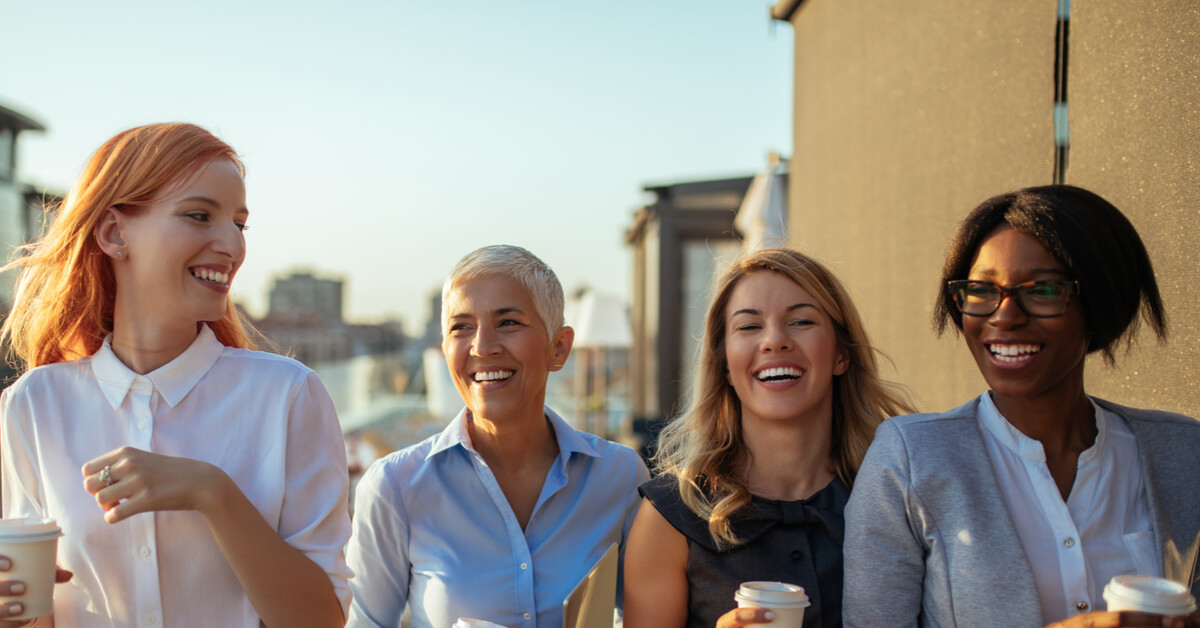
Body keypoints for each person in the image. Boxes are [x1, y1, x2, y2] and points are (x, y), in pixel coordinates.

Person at [0, 123, 352, 627]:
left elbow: (322, 620)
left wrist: (212, 493)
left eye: (240, 224)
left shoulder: (289, 395)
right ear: (114, 234)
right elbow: (36, 609)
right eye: (199, 215)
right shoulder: (34, 404)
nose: (232, 245)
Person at [844, 185, 1200, 628]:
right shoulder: (909, 460)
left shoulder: (1183, 452)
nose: (1005, 316)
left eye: (1043, 290)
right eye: (980, 290)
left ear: (1100, 302)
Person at [346, 244, 649, 628]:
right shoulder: (394, 487)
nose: (482, 346)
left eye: (508, 323)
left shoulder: (621, 476)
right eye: (461, 327)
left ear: (559, 348)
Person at [624, 247, 914, 628]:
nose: (774, 341)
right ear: (725, 366)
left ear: (842, 355)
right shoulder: (669, 517)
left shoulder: (901, 492)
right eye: (748, 326)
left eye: (802, 321)